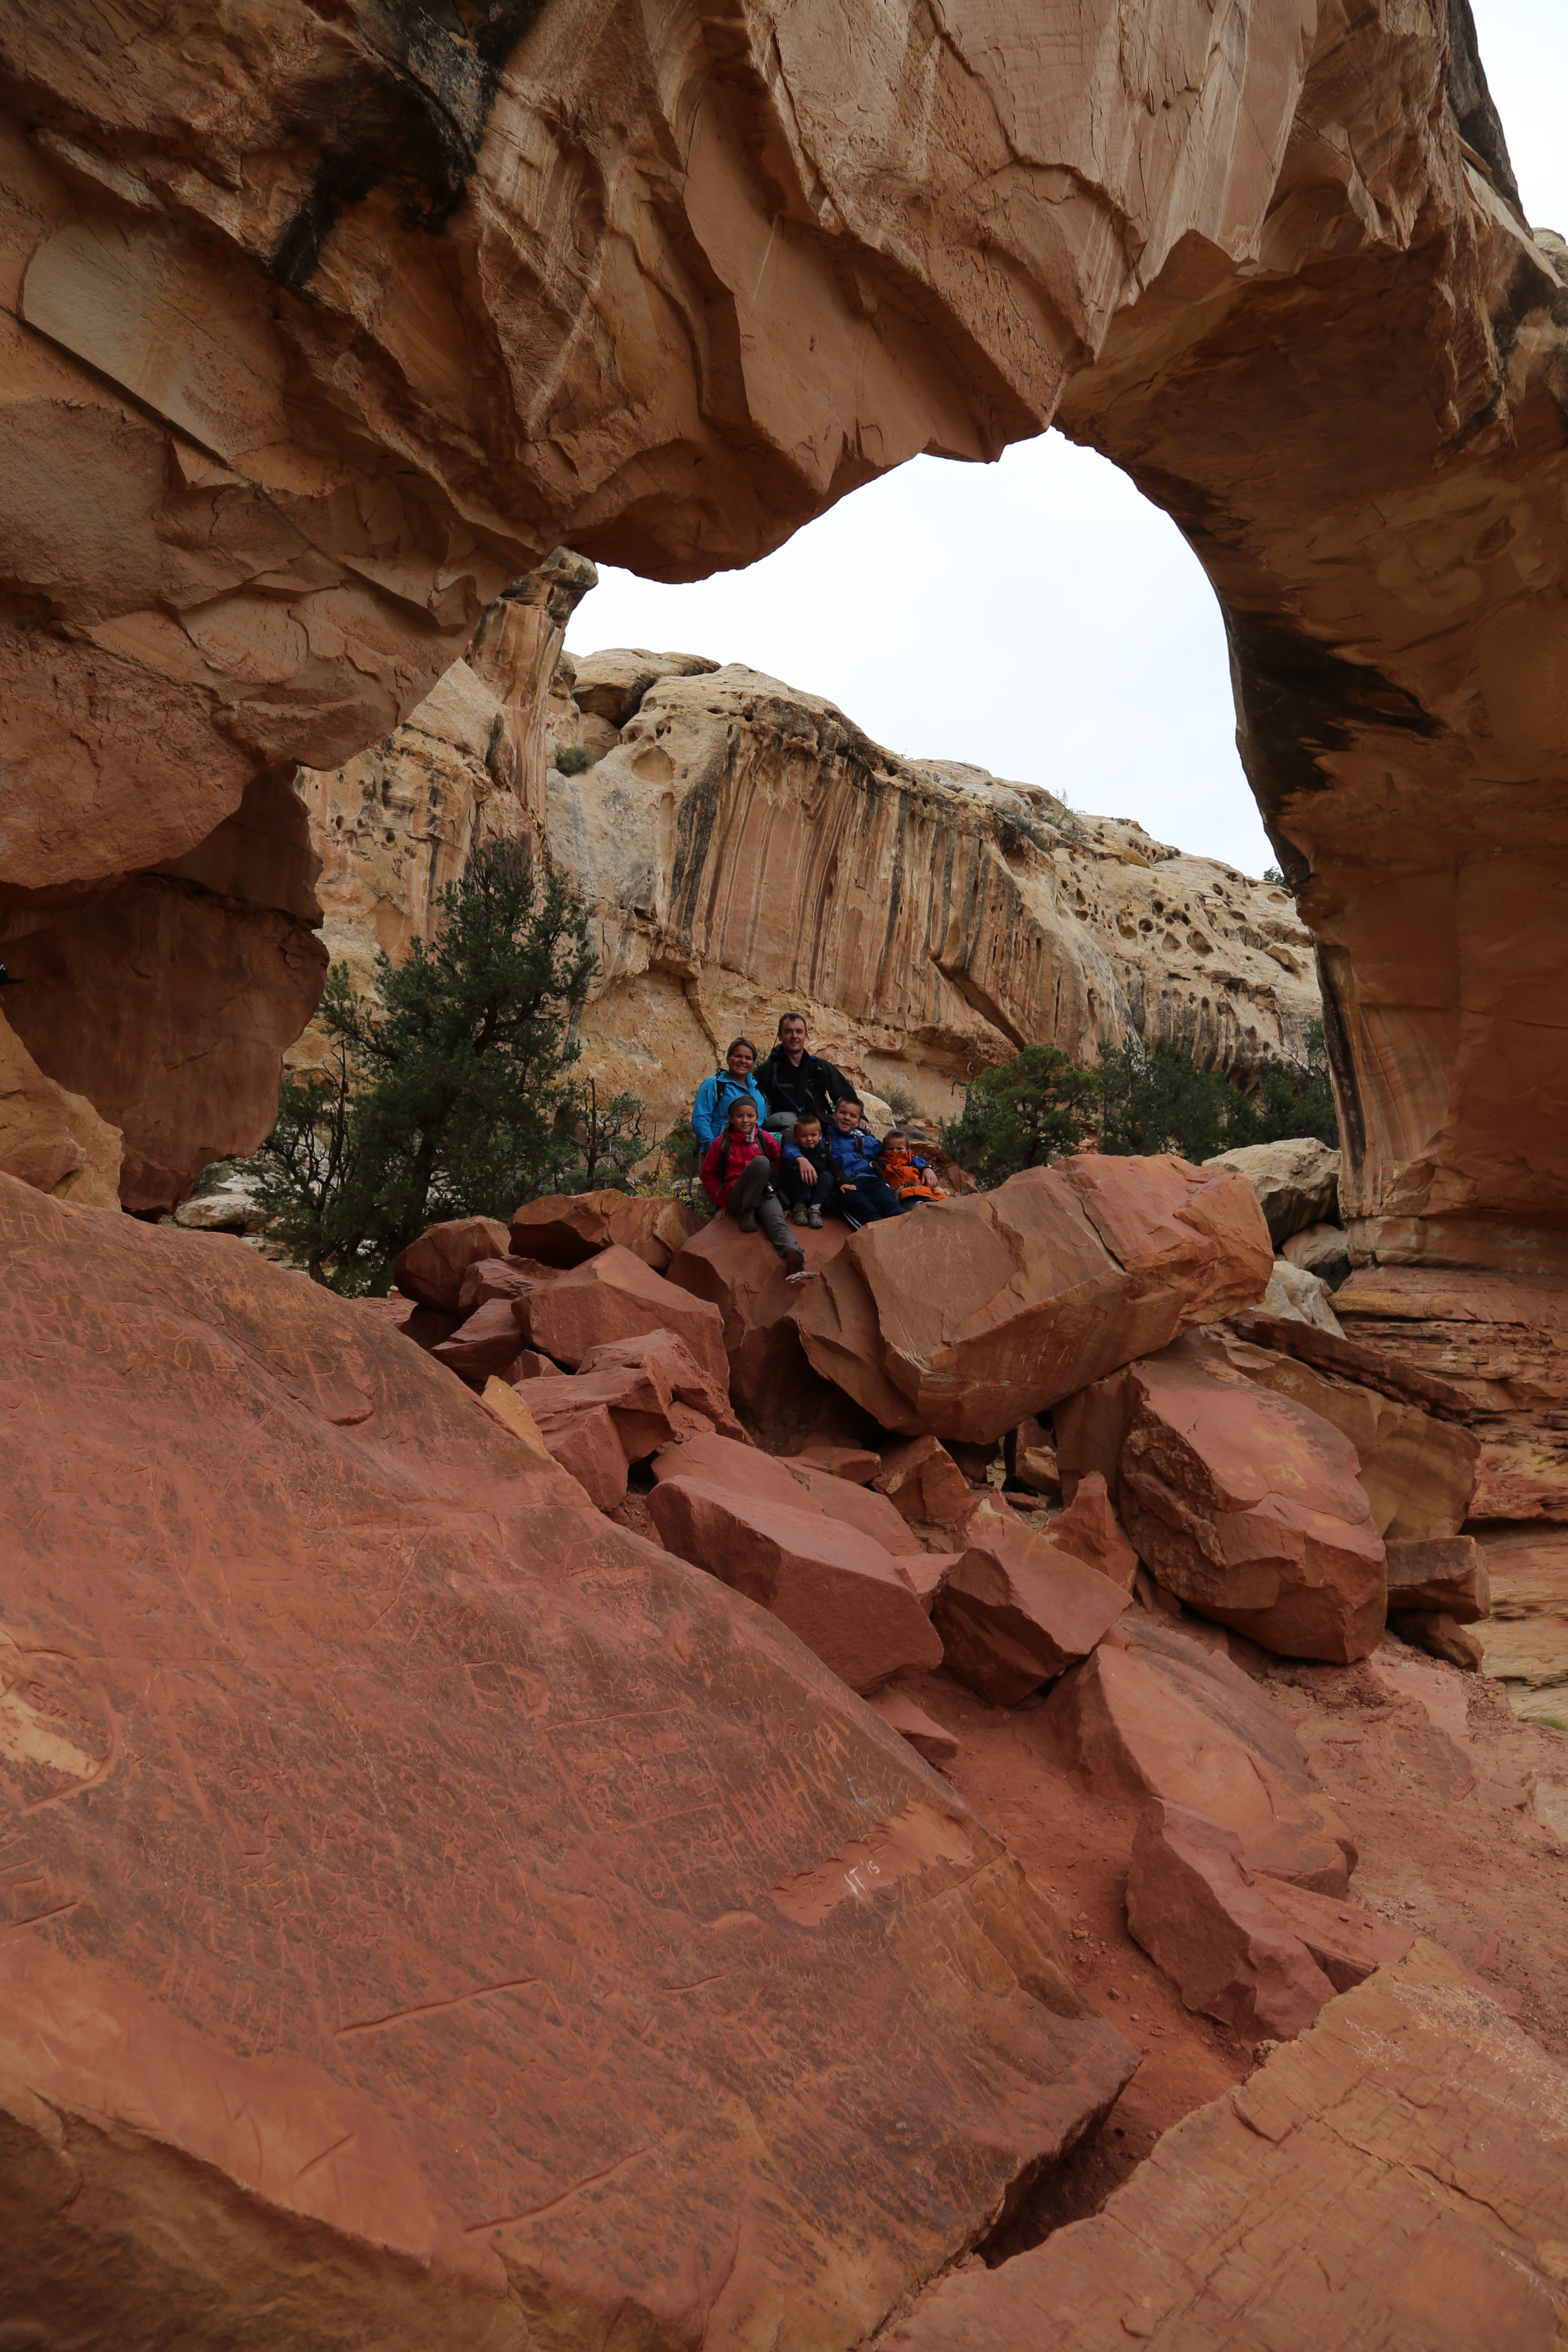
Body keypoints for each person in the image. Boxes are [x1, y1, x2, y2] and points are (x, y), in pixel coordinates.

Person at [699, 1096, 810, 1277]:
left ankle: (792, 1254)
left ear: (757, 1118)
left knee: (776, 1217)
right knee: (760, 1163)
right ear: (731, 1119)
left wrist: (780, 1198)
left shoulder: (764, 1139)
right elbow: (708, 1174)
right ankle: (747, 1210)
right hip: (736, 1196)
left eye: (750, 1116)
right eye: (740, 1116)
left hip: (763, 1192)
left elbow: (779, 1164)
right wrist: (722, 1201)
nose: (745, 1121)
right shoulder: (722, 1143)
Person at [755, 1012, 856, 1135]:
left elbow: (847, 1097)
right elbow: (751, 1102)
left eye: (799, 1032)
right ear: (780, 1036)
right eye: (788, 1032)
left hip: (819, 1135)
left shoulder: (820, 1067)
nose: (794, 1036)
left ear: (806, 1036)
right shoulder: (768, 1070)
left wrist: (861, 1119)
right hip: (784, 1137)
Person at [822, 1096, 908, 1225]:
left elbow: (895, 1153)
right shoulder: (824, 1140)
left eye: (853, 1116)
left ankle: (907, 1234)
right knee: (867, 1211)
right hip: (846, 1184)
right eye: (843, 1113)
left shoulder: (863, 1141)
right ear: (834, 1115)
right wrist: (800, 1159)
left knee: (889, 1204)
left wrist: (925, 1167)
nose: (847, 1118)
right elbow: (796, 1148)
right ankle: (878, 1238)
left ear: (858, 1122)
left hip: (871, 1180)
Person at [691, 1036, 768, 1152]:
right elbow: (700, 1119)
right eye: (738, 1056)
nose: (743, 1061)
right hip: (721, 1153)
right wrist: (714, 1148)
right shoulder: (714, 1084)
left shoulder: (758, 1089)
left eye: (748, 1058)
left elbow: (761, 1124)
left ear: (753, 1063)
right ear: (728, 1059)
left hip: (752, 1153)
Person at [779, 1110, 837, 1228]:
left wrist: (843, 1182)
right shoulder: (793, 1151)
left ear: (821, 1136)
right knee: (799, 1172)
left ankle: (815, 1209)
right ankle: (800, 1208)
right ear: (796, 1138)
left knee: (828, 1176)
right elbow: (786, 1153)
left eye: (814, 1135)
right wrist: (785, 1205)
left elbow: (835, 1169)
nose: (809, 1139)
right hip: (798, 1192)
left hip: (817, 1192)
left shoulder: (825, 1154)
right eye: (804, 1136)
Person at [879, 1130, 945, 1204]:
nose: (895, 1152)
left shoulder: (915, 1163)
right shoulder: (882, 1165)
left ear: (908, 1150)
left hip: (926, 1194)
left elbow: (931, 1187)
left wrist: (944, 1199)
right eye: (890, 1149)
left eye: (900, 1149)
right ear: (884, 1151)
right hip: (904, 1198)